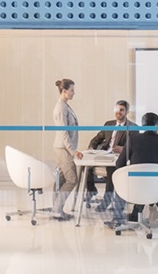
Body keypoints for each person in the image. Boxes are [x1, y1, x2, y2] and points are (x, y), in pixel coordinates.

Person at [113, 112, 158, 227]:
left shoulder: (133, 139)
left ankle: (118, 218)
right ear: (157, 125)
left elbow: (119, 163)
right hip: (157, 188)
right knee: (146, 181)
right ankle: (136, 212)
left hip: (135, 186)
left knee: (122, 179)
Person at [85, 100, 131, 212]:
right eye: (117, 109)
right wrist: (91, 147)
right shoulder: (108, 124)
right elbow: (97, 138)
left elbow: (134, 146)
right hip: (105, 154)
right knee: (86, 166)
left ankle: (107, 199)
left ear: (127, 112)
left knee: (112, 167)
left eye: (121, 110)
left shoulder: (132, 127)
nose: (118, 112)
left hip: (118, 158)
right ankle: (91, 190)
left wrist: (123, 149)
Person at [50, 78, 83, 221]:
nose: (73, 93)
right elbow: (64, 133)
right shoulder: (61, 108)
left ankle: (56, 209)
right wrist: (73, 151)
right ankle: (57, 209)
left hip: (63, 148)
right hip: (63, 149)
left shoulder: (65, 106)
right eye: (72, 91)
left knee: (62, 179)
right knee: (72, 179)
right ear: (64, 91)